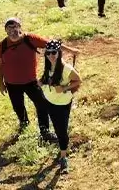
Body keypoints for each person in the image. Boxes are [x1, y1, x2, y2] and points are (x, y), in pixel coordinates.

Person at [0, 17, 80, 142]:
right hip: (11, 83)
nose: (12, 30)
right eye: (9, 28)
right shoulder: (2, 45)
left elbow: (51, 44)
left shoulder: (30, 39)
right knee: (18, 106)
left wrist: (71, 50)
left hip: (31, 81)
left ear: (20, 26)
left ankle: (44, 131)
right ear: (5, 30)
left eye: (14, 27)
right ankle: (24, 124)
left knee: (42, 105)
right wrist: (1, 83)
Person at [40, 39, 81, 174]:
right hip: (49, 101)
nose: (51, 55)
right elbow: (45, 78)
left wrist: (63, 88)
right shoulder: (48, 66)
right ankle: (63, 146)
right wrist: (41, 82)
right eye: (48, 53)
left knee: (61, 130)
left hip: (62, 103)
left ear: (59, 53)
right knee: (58, 127)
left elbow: (78, 81)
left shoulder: (66, 68)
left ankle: (63, 157)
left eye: (54, 52)